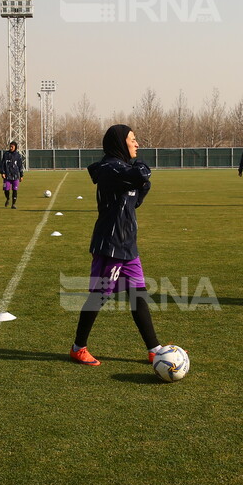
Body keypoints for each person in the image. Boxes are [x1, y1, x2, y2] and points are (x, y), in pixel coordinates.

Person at [70, 125, 168, 367]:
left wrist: (142, 184)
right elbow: (142, 175)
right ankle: (78, 348)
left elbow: (137, 195)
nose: (137, 144)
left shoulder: (122, 169)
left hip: (127, 243)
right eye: (132, 139)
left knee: (138, 295)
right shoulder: (110, 166)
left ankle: (154, 348)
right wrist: (142, 175)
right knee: (99, 296)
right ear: (119, 143)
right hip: (110, 244)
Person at [0, 141, 24, 209]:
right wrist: (2, 172)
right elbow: (2, 164)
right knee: (6, 189)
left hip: (15, 176)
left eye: (12, 146)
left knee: (14, 190)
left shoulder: (18, 155)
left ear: (15, 147)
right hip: (7, 176)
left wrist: (21, 175)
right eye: (10, 146)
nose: (11, 148)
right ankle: (8, 198)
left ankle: (13, 204)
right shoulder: (6, 154)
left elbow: (20, 166)